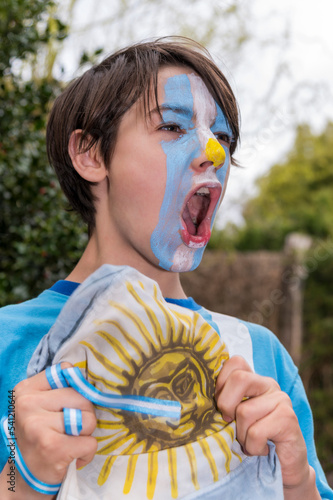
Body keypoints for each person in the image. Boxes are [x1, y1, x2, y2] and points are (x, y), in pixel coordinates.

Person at [0, 37, 332, 499]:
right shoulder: (6, 344)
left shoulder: (263, 357)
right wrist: (22, 478)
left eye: (222, 138)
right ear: (91, 154)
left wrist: (297, 479)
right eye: (174, 127)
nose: (212, 153)